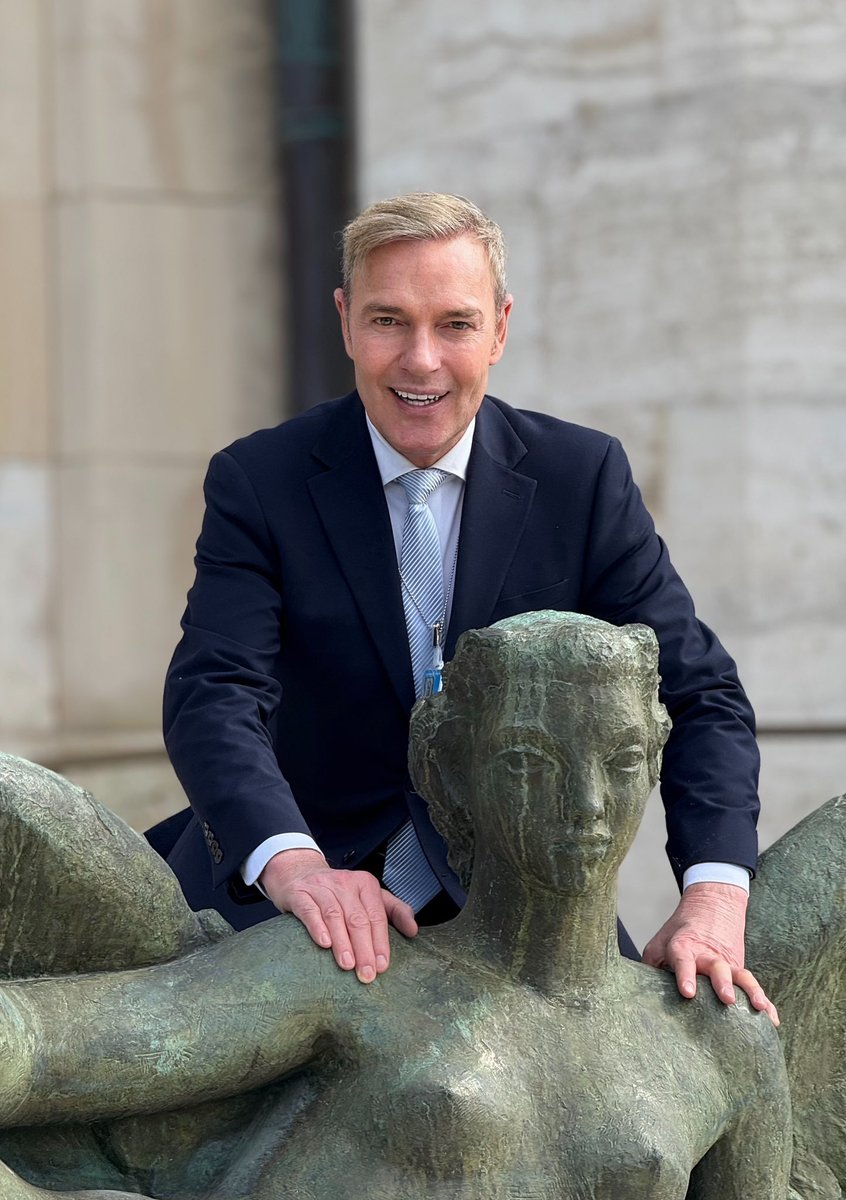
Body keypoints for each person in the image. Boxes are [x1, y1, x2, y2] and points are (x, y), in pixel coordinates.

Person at [158, 191, 774, 1021]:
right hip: (296, 892)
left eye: (453, 323)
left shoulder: (581, 480)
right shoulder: (259, 482)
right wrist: (295, 867)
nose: (420, 360)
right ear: (345, 322)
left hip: (518, 907)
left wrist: (712, 899)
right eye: (387, 321)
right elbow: (214, 694)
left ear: (500, 329)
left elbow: (700, 697)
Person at [0, 615, 793, 1199]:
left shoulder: (718, 1037)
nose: (585, 804)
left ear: (655, 763)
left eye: (620, 761)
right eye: (527, 764)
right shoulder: (349, 974)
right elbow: (45, 1048)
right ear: (450, 774)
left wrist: (717, 892)